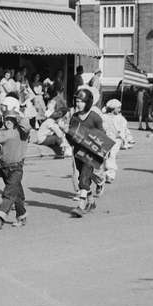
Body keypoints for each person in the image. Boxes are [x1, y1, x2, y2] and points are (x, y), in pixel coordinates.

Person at [65, 88, 106, 216]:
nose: (78, 104)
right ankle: (91, 201)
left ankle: (81, 206)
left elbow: (102, 136)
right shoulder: (75, 117)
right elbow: (71, 135)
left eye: (82, 101)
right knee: (82, 178)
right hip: (78, 151)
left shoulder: (95, 117)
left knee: (84, 177)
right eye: (77, 101)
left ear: (88, 102)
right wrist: (67, 133)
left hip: (91, 153)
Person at [0, 110, 29, 230]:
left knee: (9, 192)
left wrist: (19, 115)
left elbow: (26, 126)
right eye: (6, 119)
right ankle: (22, 215)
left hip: (16, 167)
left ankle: (0, 216)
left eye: (11, 120)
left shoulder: (21, 132)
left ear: (15, 121)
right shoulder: (0, 134)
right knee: (17, 195)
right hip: (4, 168)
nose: (8, 122)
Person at [102, 98, 134, 182]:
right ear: (113, 108)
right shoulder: (104, 117)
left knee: (112, 155)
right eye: (118, 108)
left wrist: (129, 138)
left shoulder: (121, 118)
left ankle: (110, 174)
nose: (119, 110)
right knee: (106, 156)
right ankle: (106, 171)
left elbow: (125, 129)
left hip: (117, 140)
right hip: (106, 139)